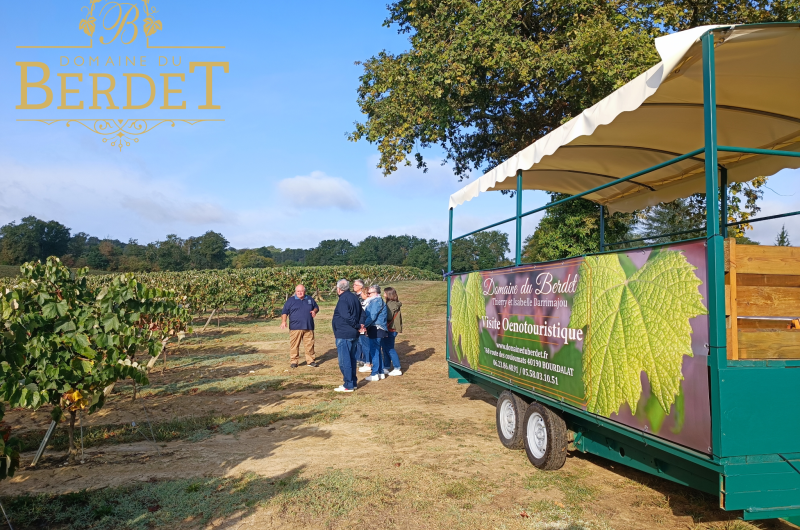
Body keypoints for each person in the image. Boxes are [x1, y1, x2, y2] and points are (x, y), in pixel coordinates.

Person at [331, 279, 363, 392]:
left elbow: (346, 316)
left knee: (344, 361)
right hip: (352, 333)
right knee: (351, 359)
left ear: (339, 289)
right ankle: (352, 382)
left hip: (345, 334)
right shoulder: (354, 297)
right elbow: (362, 313)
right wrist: (360, 325)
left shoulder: (343, 299)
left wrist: (357, 325)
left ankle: (348, 384)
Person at [280, 284, 319, 368]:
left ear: (304, 291)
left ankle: (311, 361)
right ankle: (294, 361)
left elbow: (316, 307)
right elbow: (284, 312)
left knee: (309, 345)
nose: (300, 293)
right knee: (294, 345)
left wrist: (314, 311)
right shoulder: (290, 300)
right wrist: (283, 321)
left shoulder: (309, 299)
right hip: (295, 327)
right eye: (298, 291)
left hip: (308, 326)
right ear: (295, 292)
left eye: (301, 291)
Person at [362, 285, 389, 382]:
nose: (368, 295)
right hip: (377, 328)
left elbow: (372, 316)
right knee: (377, 351)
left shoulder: (376, 301)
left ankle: (374, 374)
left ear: (375, 293)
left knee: (374, 352)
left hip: (376, 328)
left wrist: (363, 325)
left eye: (369, 293)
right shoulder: (376, 301)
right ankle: (381, 372)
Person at [381, 287, 403, 376]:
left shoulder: (391, 305)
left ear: (388, 294)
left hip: (391, 329)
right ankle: (386, 366)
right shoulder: (392, 303)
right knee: (385, 348)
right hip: (391, 328)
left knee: (390, 348)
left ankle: (397, 367)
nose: (383, 295)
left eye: (385, 293)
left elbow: (388, 317)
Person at [353, 279, 371, 368]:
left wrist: (364, 325)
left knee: (364, 343)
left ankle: (366, 360)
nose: (353, 286)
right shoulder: (353, 296)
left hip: (363, 324)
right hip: (357, 323)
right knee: (358, 343)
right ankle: (358, 358)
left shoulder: (367, 301)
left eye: (355, 285)